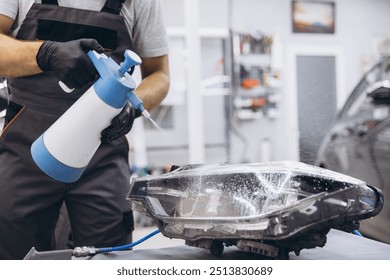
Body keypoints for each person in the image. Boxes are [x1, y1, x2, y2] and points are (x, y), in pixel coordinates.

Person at [0, 0, 170, 260]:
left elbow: (159, 73)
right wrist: (45, 53)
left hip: (102, 149)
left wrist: (133, 107)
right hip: (27, 148)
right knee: (14, 254)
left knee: (109, 258)